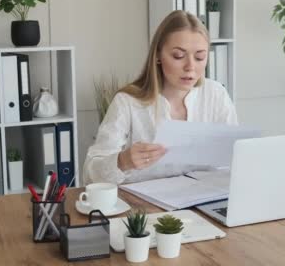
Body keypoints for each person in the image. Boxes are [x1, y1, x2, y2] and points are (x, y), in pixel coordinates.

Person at [83, 10, 238, 185]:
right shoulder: (127, 102)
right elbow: (90, 173)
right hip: (143, 209)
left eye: (200, 57)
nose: (190, 67)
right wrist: (122, 161)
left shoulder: (216, 94)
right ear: (157, 55)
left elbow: (235, 160)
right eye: (178, 56)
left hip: (203, 202)